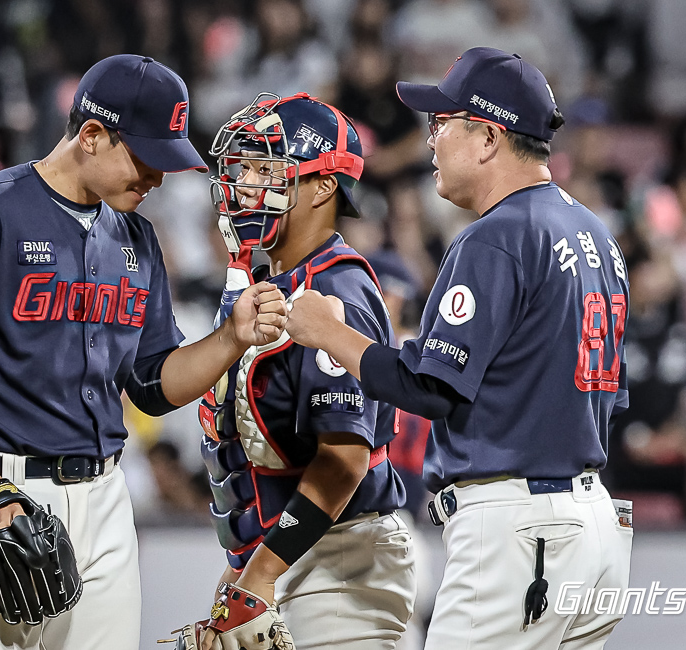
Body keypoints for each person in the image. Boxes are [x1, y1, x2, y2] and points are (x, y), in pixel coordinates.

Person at [0, 54, 288, 650]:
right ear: (92, 136)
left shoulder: (138, 238)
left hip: (101, 499)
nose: (157, 177)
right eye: (147, 157)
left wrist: (230, 339)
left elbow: (152, 382)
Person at [285, 48, 634, 649]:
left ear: (489, 137)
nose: (430, 139)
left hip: (520, 529)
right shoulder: (595, 233)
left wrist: (331, 332)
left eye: (443, 123)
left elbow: (430, 388)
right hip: (592, 522)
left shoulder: (497, 237)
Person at [195, 92, 415, 649]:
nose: (245, 185)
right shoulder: (275, 282)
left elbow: (344, 459)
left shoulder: (333, 288)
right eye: (243, 168)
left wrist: (260, 574)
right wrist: (244, 567)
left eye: (266, 169)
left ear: (322, 186)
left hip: (340, 560)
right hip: (293, 552)